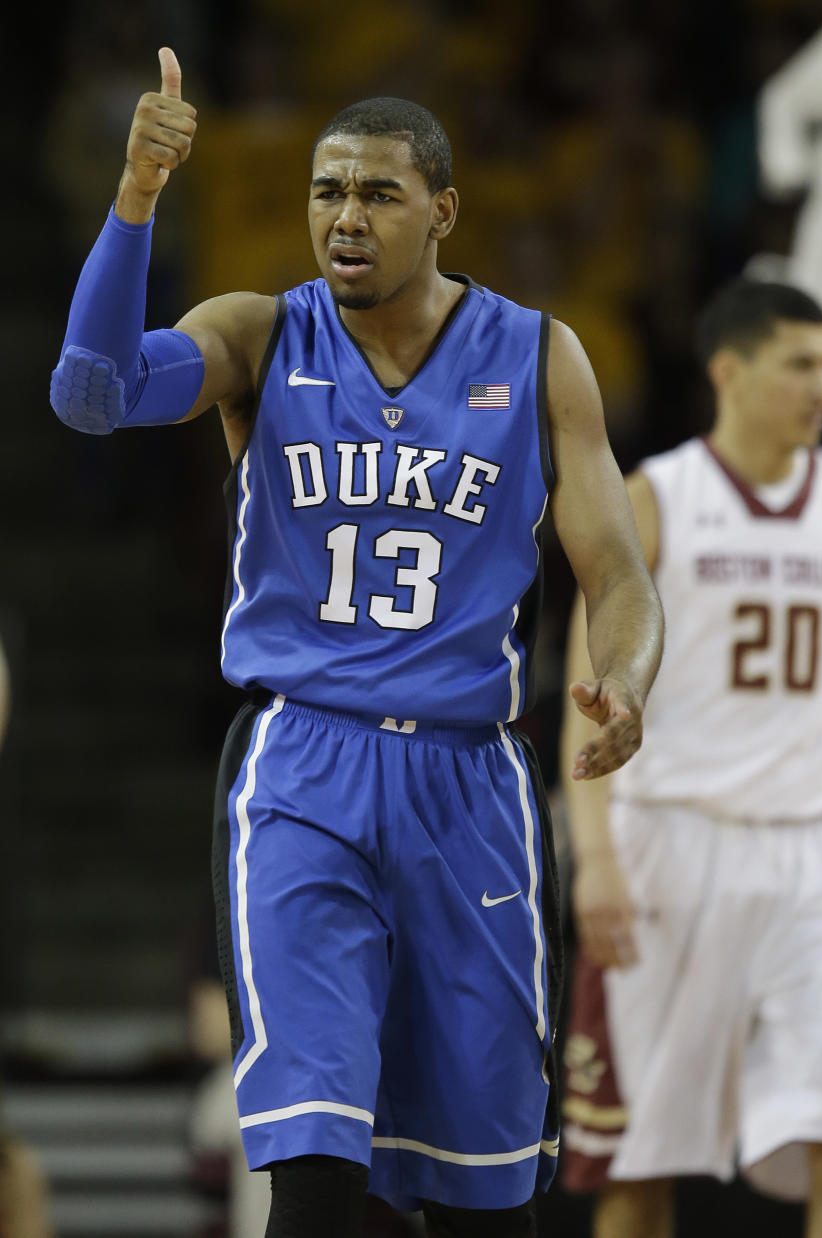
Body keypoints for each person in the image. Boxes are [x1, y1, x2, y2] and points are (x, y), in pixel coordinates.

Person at [49, 48, 664, 1238]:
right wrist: (136, 198)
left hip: (471, 780)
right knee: (317, 1172)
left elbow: (618, 569)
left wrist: (627, 675)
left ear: (440, 211)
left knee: (487, 1197)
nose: (344, 216)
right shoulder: (261, 336)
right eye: (327, 192)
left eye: (377, 194)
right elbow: (90, 391)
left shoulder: (539, 354)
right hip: (305, 770)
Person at [559, 278, 822, 1238]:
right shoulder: (654, 498)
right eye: (801, 364)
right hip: (674, 845)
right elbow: (587, 693)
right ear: (730, 370)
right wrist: (596, 855)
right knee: (639, 1161)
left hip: (821, 851)